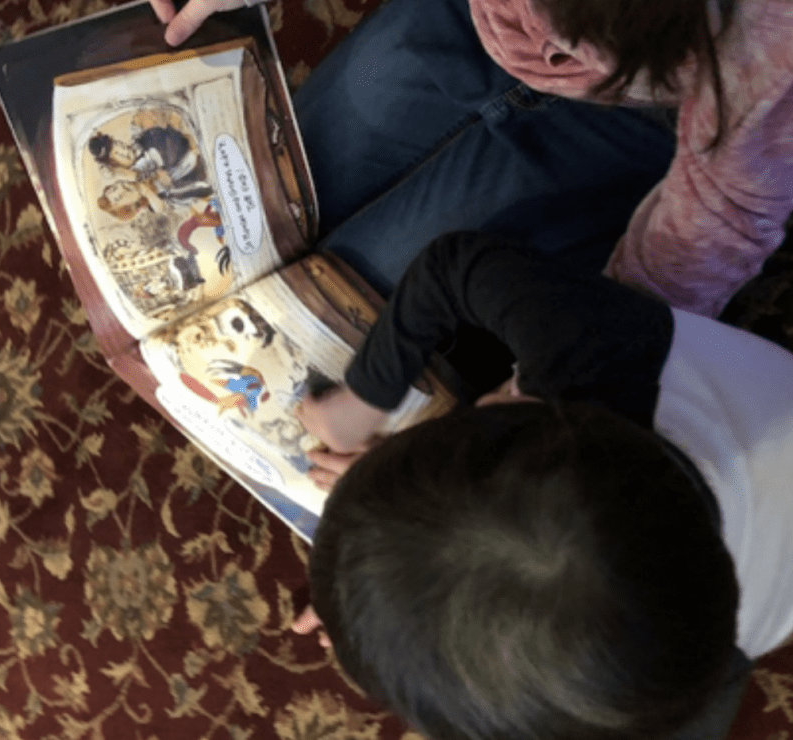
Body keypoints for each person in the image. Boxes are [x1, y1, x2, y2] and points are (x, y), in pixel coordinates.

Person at [286, 230, 793, 740]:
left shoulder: (694, 680)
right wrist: (364, 400)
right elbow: (455, 263)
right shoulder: (601, 347)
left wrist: (379, 618)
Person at [147, 0, 793, 317]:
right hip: (460, 14)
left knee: (368, 292)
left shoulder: (773, 45)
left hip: (645, 115)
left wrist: (602, 345)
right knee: (269, 189)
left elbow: (726, 211)